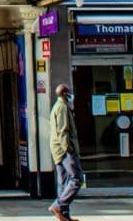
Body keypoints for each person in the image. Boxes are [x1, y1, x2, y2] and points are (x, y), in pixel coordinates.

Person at [48, 84, 83, 221]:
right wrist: (69, 150)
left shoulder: (57, 106)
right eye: (69, 92)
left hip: (57, 149)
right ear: (64, 94)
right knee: (77, 178)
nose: (71, 94)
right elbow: (63, 131)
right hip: (64, 150)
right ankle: (59, 205)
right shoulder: (62, 107)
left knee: (63, 182)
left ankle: (64, 214)